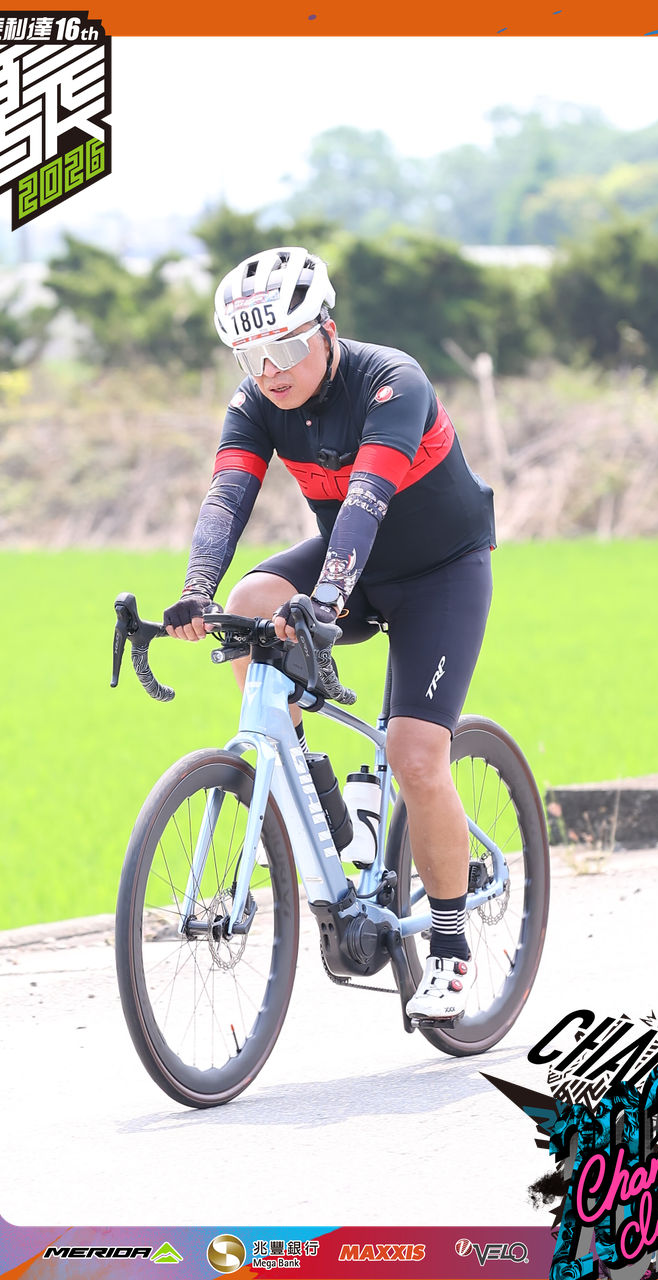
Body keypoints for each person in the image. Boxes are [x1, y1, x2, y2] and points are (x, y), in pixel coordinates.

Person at [163, 246, 496, 1020]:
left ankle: (449, 945)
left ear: (327, 331)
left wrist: (328, 598)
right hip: (354, 569)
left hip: (438, 573)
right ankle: (310, 783)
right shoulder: (256, 401)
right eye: (250, 354)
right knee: (251, 600)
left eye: (284, 347)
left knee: (415, 754)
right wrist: (193, 593)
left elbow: (366, 501)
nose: (269, 370)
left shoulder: (393, 382)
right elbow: (226, 499)